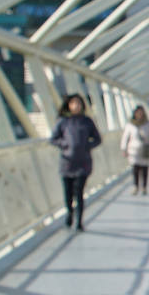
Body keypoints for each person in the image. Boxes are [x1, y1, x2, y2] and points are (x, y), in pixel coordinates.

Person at [49, 93, 101, 231]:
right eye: (73, 103)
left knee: (79, 192)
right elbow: (53, 139)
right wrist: (64, 144)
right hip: (67, 163)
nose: (76, 106)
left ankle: (79, 221)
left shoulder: (87, 121)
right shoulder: (63, 121)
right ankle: (70, 214)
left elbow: (98, 139)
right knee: (68, 193)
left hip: (83, 163)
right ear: (69, 105)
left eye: (79, 103)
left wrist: (87, 146)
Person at [120, 105, 149, 196]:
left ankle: (144, 187)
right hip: (133, 150)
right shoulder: (130, 125)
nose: (139, 114)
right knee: (135, 168)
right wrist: (124, 149)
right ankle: (136, 186)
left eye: (141, 112)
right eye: (138, 112)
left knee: (145, 168)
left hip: (146, 149)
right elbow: (125, 138)